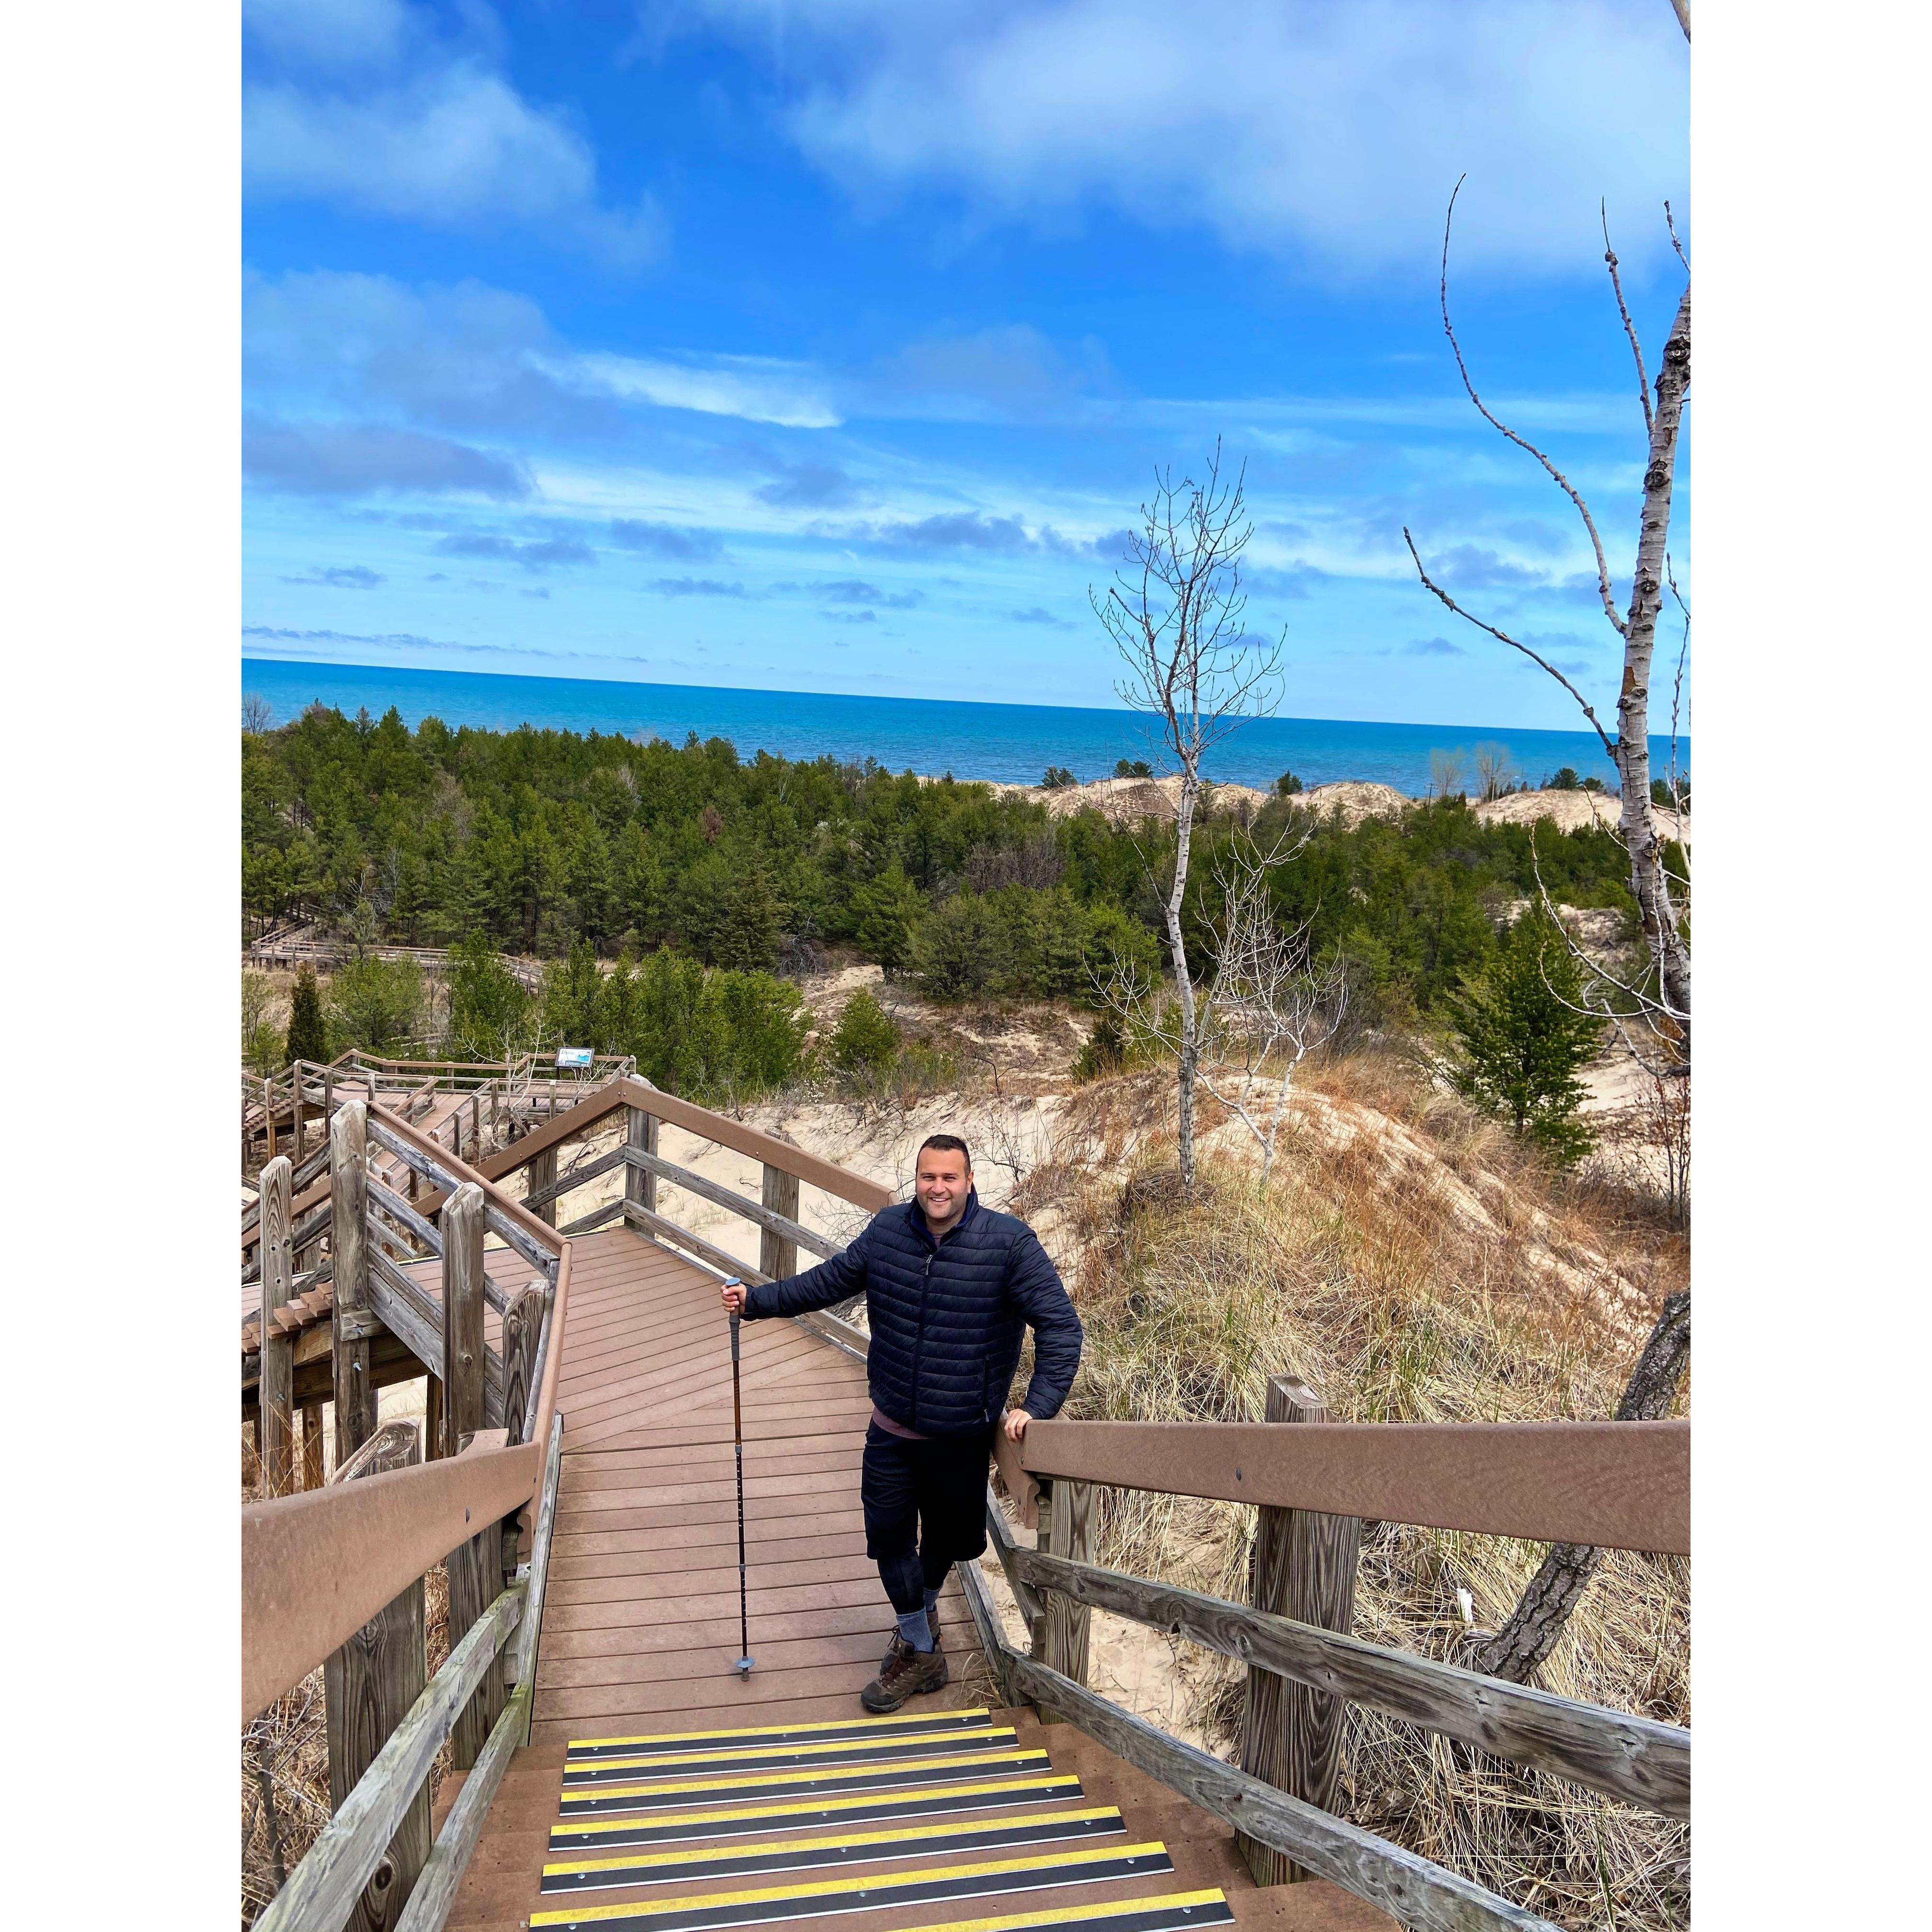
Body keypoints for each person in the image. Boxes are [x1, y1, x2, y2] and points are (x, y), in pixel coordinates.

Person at [722, 1132, 1081, 1712]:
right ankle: (919, 1642)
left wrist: (1036, 1406)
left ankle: (918, 1643)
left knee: (942, 1543)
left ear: (969, 1182)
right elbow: (830, 1281)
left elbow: (1061, 1328)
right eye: (927, 1177)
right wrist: (758, 1301)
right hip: (891, 1427)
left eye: (949, 1178)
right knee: (889, 1536)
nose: (938, 1189)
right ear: (916, 1180)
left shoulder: (1009, 1245)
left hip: (960, 1434)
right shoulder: (888, 1230)